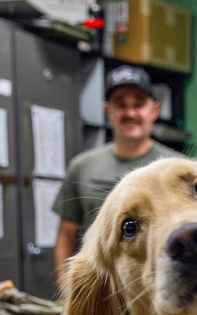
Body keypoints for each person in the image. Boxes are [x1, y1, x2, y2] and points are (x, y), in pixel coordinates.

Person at [52, 65, 176, 289]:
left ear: (154, 110)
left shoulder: (175, 167)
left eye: (139, 104)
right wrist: (67, 289)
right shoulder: (82, 166)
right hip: (99, 289)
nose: (130, 113)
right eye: (121, 104)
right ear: (108, 110)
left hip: (157, 287)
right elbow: (66, 234)